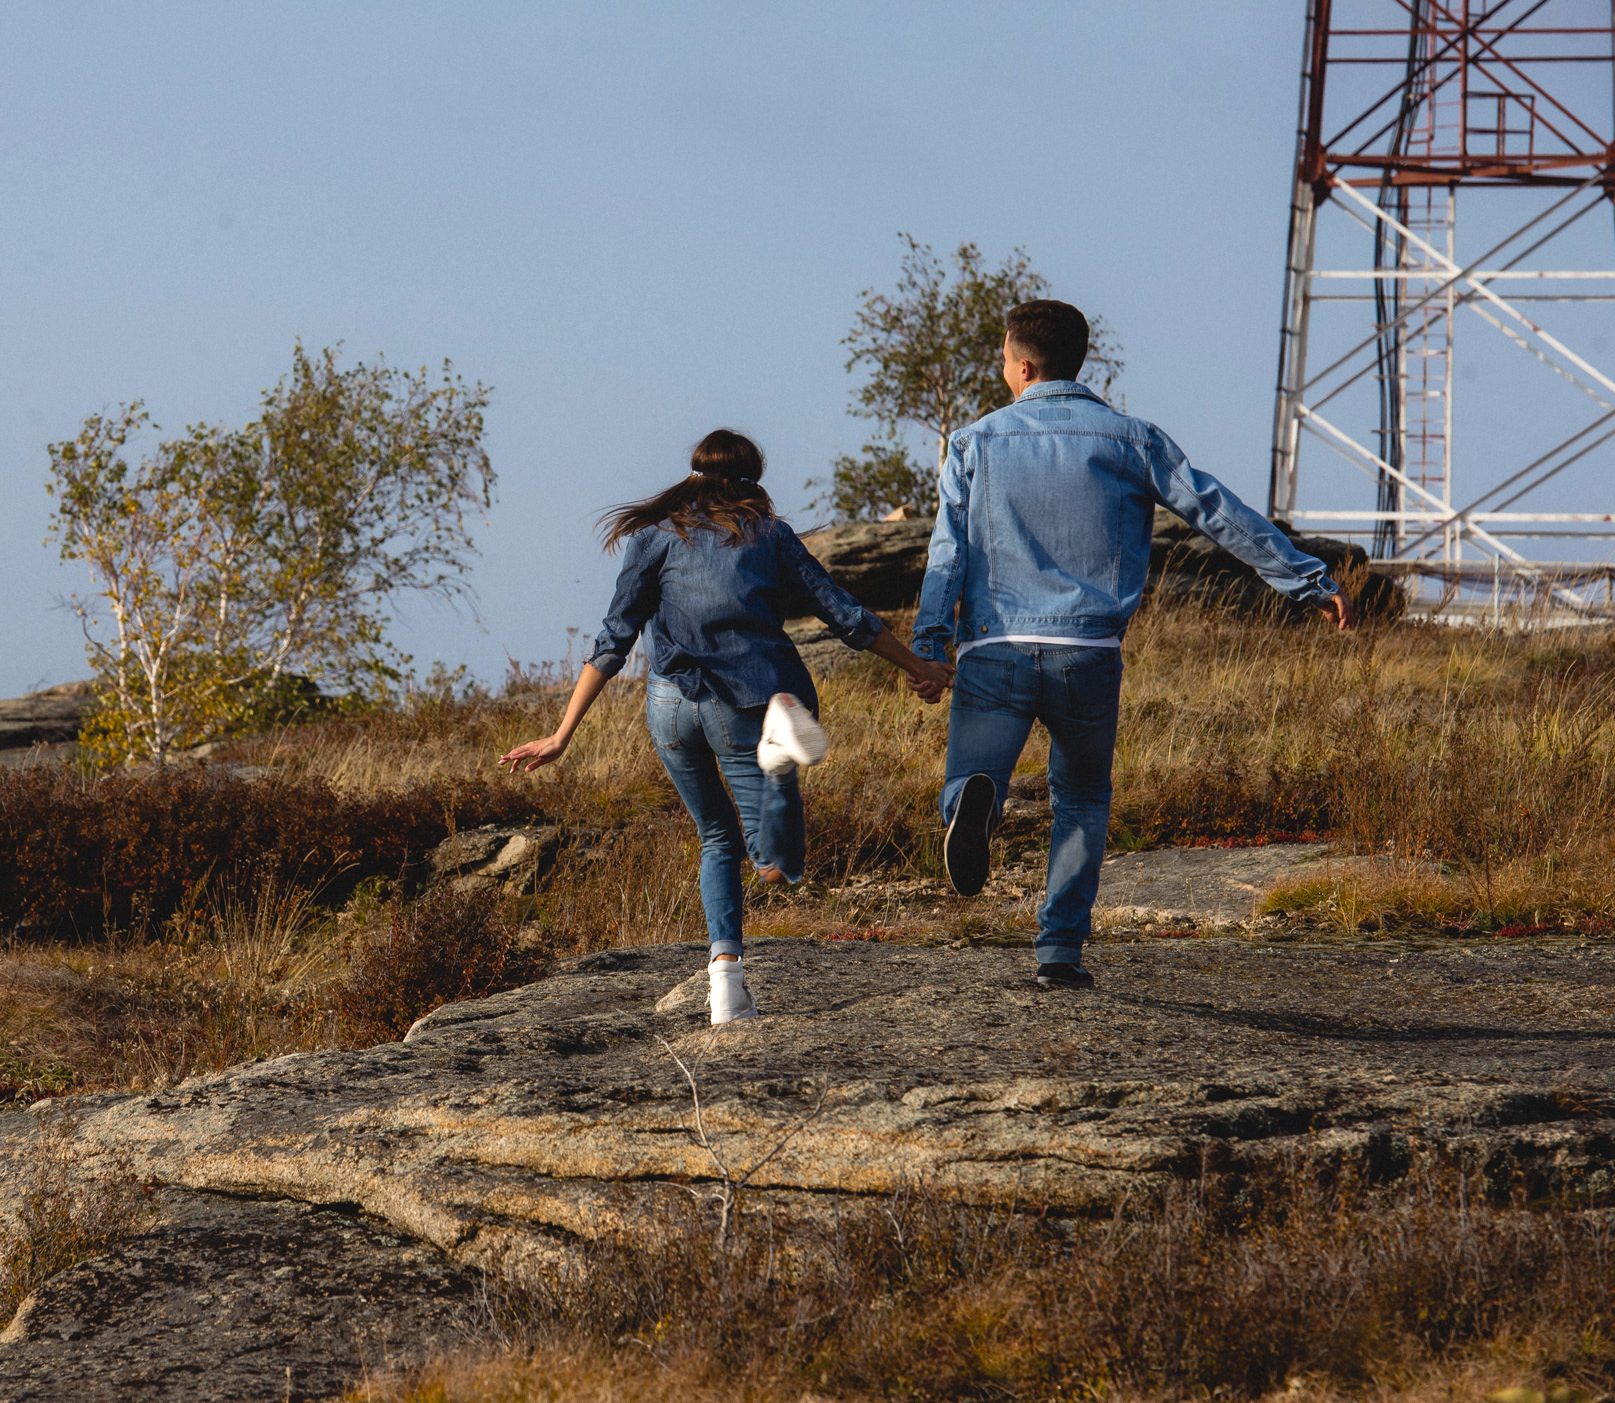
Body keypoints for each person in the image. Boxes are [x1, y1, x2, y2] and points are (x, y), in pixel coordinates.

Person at [913, 300, 1352, 991]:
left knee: (975, 776)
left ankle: (976, 800)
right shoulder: (1131, 439)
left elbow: (947, 552)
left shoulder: (975, 442)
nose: (1002, 370)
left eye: (1003, 359)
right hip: (1088, 652)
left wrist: (928, 643)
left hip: (995, 648)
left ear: (1022, 366)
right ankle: (1059, 952)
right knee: (1082, 797)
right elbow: (1216, 510)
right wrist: (1305, 578)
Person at [501, 429, 953, 1025]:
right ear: (751, 479)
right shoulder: (769, 536)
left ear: (695, 474)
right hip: (742, 704)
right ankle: (781, 770)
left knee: (717, 839)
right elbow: (846, 616)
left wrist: (561, 735)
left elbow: (613, 641)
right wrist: (919, 667)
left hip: (668, 706)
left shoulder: (656, 537)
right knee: (777, 864)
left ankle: (726, 990)